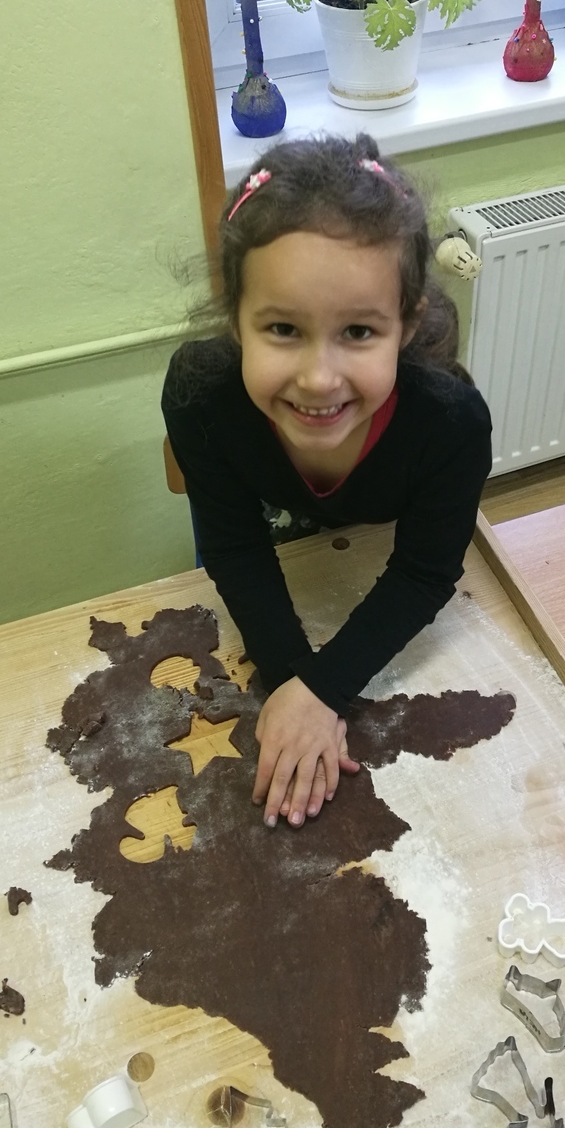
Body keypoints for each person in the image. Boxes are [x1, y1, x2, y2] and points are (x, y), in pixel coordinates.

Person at [162, 133, 492, 832]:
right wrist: (292, 678)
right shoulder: (200, 396)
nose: (318, 378)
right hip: (281, 555)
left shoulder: (451, 422)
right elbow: (235, 548)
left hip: (376, 554)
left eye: (359, 332)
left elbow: (425, 572)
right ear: (235, 320)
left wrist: (322, 688)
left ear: (407, 324)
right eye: (283, 328)